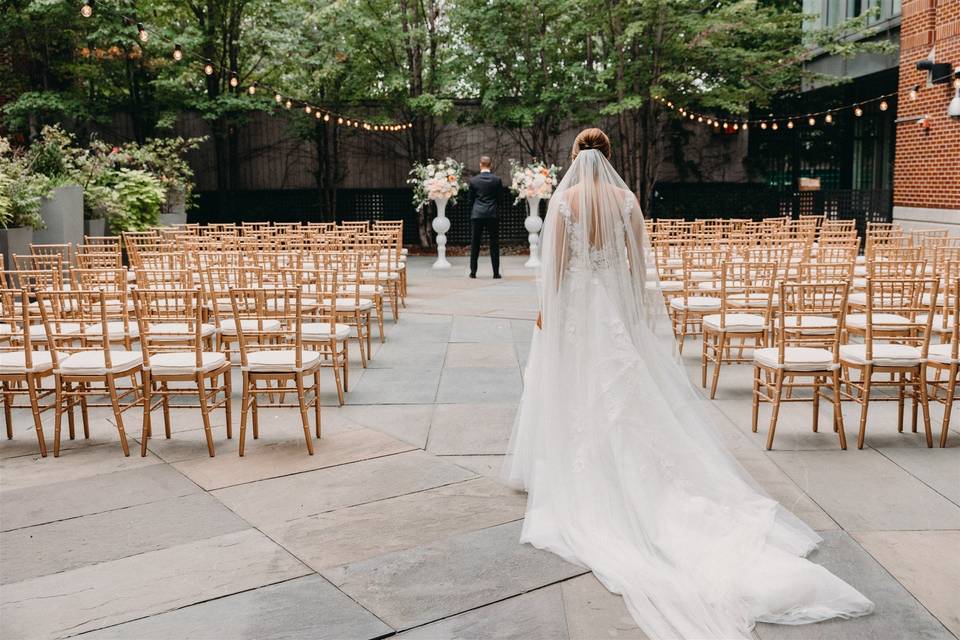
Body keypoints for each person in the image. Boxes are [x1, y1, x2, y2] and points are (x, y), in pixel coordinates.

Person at [504, 128, 873, 639]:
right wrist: (632, 318)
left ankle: (580, 467)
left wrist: (550, 315)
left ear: (574, 158)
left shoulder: (565, 200)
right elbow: (638, 267)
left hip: (578, 313)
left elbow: (557, 270)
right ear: (609, 158)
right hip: (615, 308)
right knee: (626, 392)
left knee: (579, 391)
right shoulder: (626, 199)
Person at [468, 156, 502, 279]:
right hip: (492, 214)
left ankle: (473, 272)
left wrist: (474, 210)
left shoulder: (473, 181)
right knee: (494, 243)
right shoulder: (497, 180)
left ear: (480, 165)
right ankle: (496, 273)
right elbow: (499, 199)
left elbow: (470, 200)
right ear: (490, 165)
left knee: (475, 243)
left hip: (477, 214)